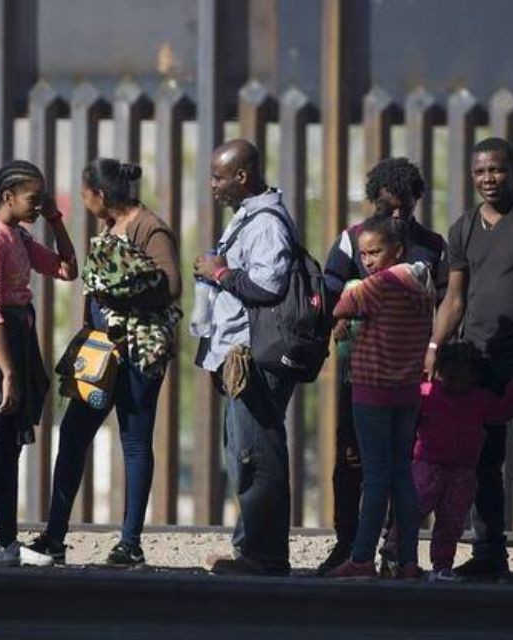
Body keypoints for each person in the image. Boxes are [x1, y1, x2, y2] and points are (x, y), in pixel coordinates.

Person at [427, 137, 513, 584]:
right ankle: (489, 553)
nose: (489, 179)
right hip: (477, 365)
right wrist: (434, 348)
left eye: (498, 170)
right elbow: (455, 297)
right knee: (481, 462)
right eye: (480, 172)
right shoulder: (463, 228)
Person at [27, 158, 182, 567]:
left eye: (84, 193)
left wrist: (120, 298)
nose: (83, 200)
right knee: (74, 435)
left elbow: (171, 286)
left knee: (134, 442)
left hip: (137, 354)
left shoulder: (150, 227)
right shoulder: (109, 226)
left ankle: (129, 543)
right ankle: (54, 537)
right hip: (101, 354)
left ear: (100, 195)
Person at [318, 157, 447, 575]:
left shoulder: (428, 246)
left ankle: (371, 555)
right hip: (379, 374)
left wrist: (354, 301)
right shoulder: (353, 238)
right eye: (388, 207)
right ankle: (361, 545)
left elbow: (337, 298)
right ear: (373, 201)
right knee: (359, 462)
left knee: (384, 470)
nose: (396, 215)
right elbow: (329, 282)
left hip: (376, 379)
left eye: (403, 208)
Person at [0, 160, 77, 566]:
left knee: (10, 446)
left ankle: (7, 541)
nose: (39, 204)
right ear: (8, 197)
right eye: (34, 198)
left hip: (19, 340)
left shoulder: (19, 236)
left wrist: (56, 219)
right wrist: (7, 371)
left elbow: (66, 268)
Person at [193, 139, 296, 576]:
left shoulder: (267, 224)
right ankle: (249, 549)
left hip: (254, 357)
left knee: (258, 454)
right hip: (234, 355)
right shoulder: (246, 218)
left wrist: (218, 272)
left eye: (218, 176)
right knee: (242, 454)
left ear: (242, 176)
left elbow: (268, 288)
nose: (212, 184)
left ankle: (265, 556)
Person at [385, 342, 513, 581]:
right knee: (412, 510)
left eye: (460, 378)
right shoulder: (427, 394)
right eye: (448, 377)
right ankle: (394, 553)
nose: (453, 384)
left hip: (462, 472)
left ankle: (442, 566)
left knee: (451, 521)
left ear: (473, 377)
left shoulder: (481, 399)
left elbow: (501, 412)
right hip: (427, 465)